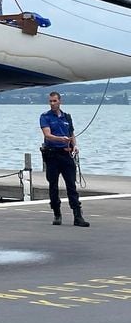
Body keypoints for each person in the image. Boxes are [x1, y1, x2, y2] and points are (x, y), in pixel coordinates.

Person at [39, 91, 89, 227]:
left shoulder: (67, 117)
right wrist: (60, 138)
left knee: (71, 186)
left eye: (54, 101)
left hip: (66, 154)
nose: (52, 103)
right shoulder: (45, 117)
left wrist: (75, 145)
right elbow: (47, 135)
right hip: (52, 155)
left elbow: (71, 133)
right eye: (50, 101)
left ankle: (78, 216)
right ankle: (57, 213)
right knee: (53, 186)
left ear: (60, 101)